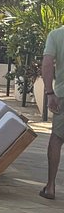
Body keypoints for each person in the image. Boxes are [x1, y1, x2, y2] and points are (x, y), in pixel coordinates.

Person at [40, 26, 64, 198]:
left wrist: (49, 93)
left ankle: (50, 187)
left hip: (63, 96)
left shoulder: (56, 35)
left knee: (56, 139)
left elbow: (47, 63)